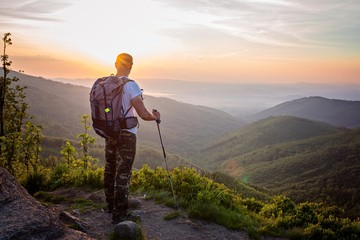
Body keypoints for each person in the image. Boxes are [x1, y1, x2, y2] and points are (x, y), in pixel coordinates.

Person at [104, 53, 160, 224]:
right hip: (127, 134)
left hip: (110, 131)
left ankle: (110, 206)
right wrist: (155, 117)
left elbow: (105, 110)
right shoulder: (131, 86)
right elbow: (143, 114)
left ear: (115, 64)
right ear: (131, 66)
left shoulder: (106, 84)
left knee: (110, 168)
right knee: (123, 173)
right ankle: (120, 215)